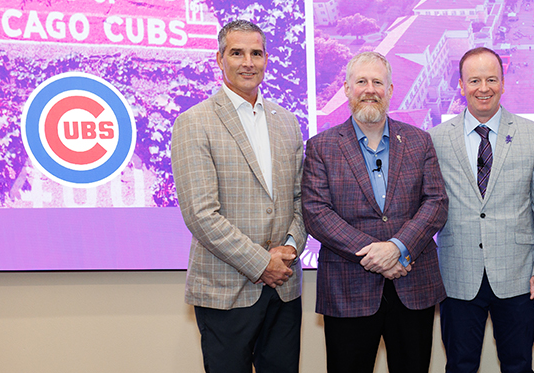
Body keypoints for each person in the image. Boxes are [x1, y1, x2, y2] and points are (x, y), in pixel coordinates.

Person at [171, 19, 307, 373]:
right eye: (237, 53)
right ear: (220, 59)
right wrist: (262, 263)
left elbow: (300, 200)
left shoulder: (287, 121)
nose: (248, 62)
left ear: (266, 60)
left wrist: (290, 248)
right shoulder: (194, 122)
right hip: (225, 290)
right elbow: (201, 214)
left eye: (256, 53)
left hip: (284, 288)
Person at [302, 51, 448, 373]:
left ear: (390, 90)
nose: (370, 89)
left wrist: (396, 248)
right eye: (361, 82)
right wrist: (376, 254)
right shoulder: (321, 147)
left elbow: (436, 202)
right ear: (347, 88)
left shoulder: (419, 141)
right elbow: (316, 213)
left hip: (412, 284)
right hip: (347, 290)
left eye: (378, 82)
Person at [428, 47, 534, 373]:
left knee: (518, 365)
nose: (483, 88)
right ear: (461, 85)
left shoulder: (533, 135)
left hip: (518, 276)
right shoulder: (436, 138)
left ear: (503, 83)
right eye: (474, 80)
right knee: (459, 366)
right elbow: (427, 205)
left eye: (491, 79)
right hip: (457, 275)